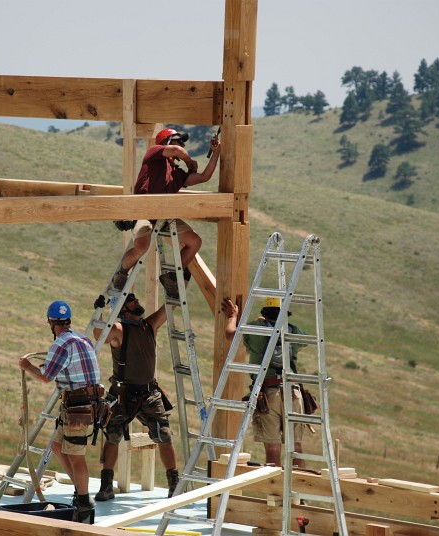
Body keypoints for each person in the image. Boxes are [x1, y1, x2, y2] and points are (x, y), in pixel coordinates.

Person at [110, 128, 221, 300]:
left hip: (163, 217)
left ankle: (171, 276)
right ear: (166, 142)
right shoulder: (154, 153)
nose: (182, 144)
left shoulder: (176, 172)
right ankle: (122, 272)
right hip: (143, 211)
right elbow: (178, 151)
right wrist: (190, 162)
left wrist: (216, 154)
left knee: (194, 241)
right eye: (179, 140)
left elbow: (204, 177)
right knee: (142, 246)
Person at [19, 300, 102, 524]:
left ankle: (84, 501)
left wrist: (27, 367)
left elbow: (46, 377)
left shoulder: (61, 345)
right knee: (57, 446)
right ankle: (80, 491)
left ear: (51, 322)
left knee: (76, 456)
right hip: (86, 404)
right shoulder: (83, 340)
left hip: (77, 407)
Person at [93, 293, 180, 501]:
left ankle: (174, 485)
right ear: (123, 309)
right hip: (123, 394)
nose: (137, 301)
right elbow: (100, 335)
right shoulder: (119, 330)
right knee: (112, 436)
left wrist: (180, 282)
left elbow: (169, 308)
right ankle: (106, 485)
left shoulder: (148, 326)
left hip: (149, 393)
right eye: (132, 300)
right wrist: (99, 313)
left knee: (164, 436)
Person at [221, 297, 308, 469]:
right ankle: (300, 494)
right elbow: (304, 341)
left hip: (269, 393)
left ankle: (274, 494)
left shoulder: (256, 329)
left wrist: (232, 317)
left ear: (264, 313)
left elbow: (230, 333)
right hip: (293, 393)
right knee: (296, 446)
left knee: (273, 447)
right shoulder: (292, 330)